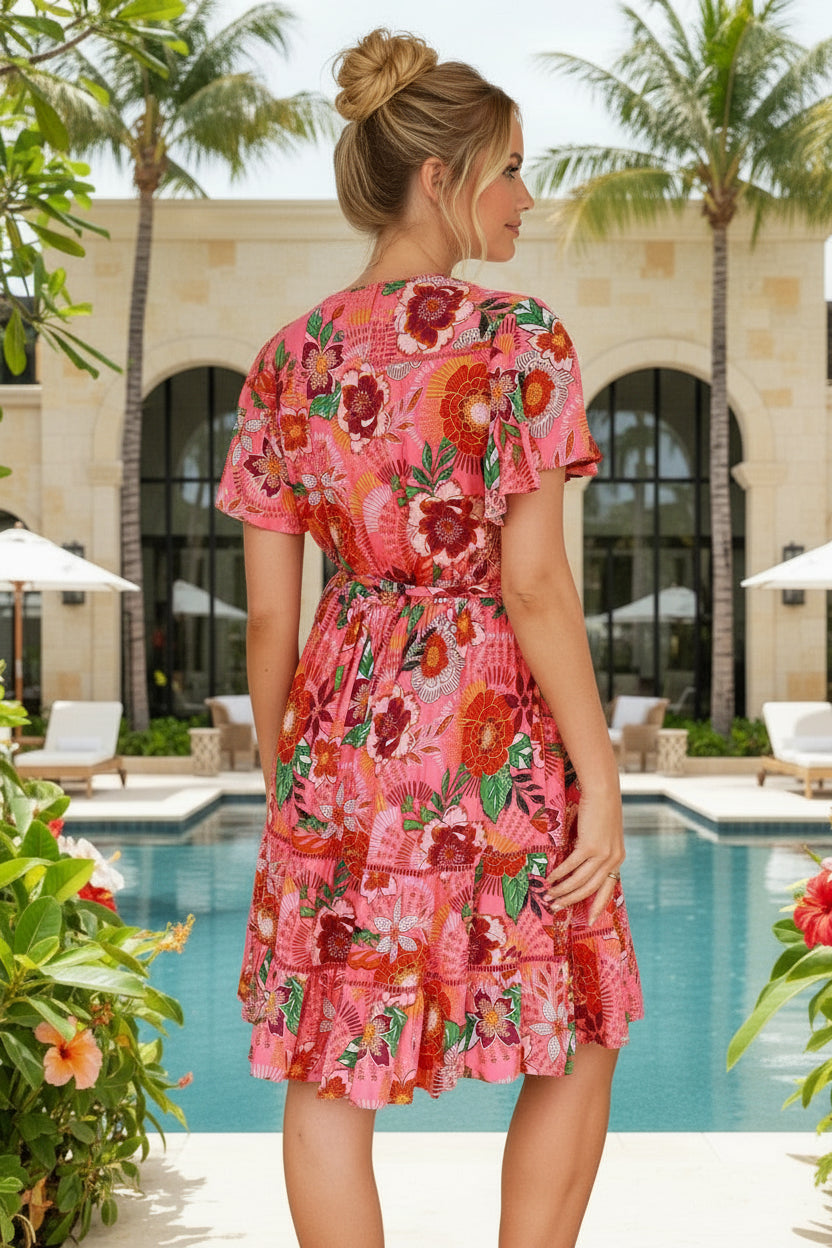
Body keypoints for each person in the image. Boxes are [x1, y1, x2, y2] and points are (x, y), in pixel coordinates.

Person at [216, 28, 643, 1248]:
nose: (526, 196)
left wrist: (285, 777)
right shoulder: (520, 341)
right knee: (584, 1022)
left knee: (326, 1059)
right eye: (511, 166)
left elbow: (265, 619)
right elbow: (534, 587)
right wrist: (599, 775)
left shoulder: (286, 362)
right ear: (443, 174)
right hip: (494, 731)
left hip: (339, 736)